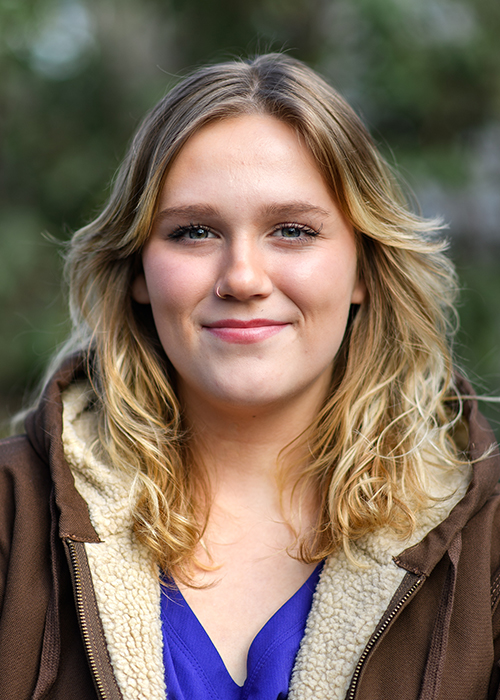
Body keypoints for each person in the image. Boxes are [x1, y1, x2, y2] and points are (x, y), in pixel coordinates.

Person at [0, 53, 499, 700]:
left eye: (291, 230)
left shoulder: (485, 539)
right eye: (194, 232)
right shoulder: (12, 517)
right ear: (137, 270)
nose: (242, 278)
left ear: (364, 269)